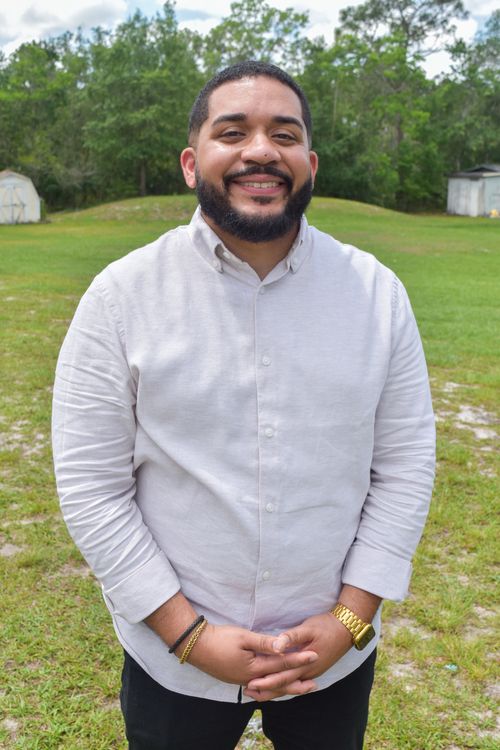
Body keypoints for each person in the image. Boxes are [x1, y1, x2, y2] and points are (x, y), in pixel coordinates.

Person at [52, 61, 435, 749]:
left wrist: (349, 620)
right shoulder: (120, 297)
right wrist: (188, 635)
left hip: (331, 653)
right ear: (191, 163)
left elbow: (404, 466)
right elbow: (91, 487)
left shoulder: (377, 295)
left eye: (284, 135)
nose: (261, 150)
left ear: (310, 164)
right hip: (174, 657)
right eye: (233, 132)